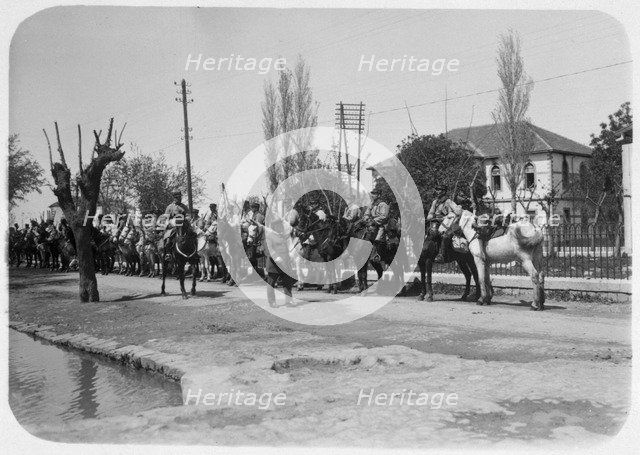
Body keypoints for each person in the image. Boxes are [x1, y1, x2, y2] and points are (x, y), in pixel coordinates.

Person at [263, 216, 295, 307]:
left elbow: (288, 246)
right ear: (274, 227)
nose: (280, 227)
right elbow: (269, 250)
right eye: (278, 226)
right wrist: (276, 257)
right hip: (274, 265)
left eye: (281, 225)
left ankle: (289, 301)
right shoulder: (269, 236)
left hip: (285, 264)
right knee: (271, 284)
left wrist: (291, 255)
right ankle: (272, 302)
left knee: (287, 283)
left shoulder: (283, 235)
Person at [427, 184, 462, 263]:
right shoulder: (435, 202)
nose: (438, 191)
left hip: (446, 223)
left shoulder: (448, 201)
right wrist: (430, 216)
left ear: (444, 192)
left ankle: (441, 255)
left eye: (440, 190)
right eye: (437, 190)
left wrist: (458, 209)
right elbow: (431, 213)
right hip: (435, 221)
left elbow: (457, 211)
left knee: (444, 236)